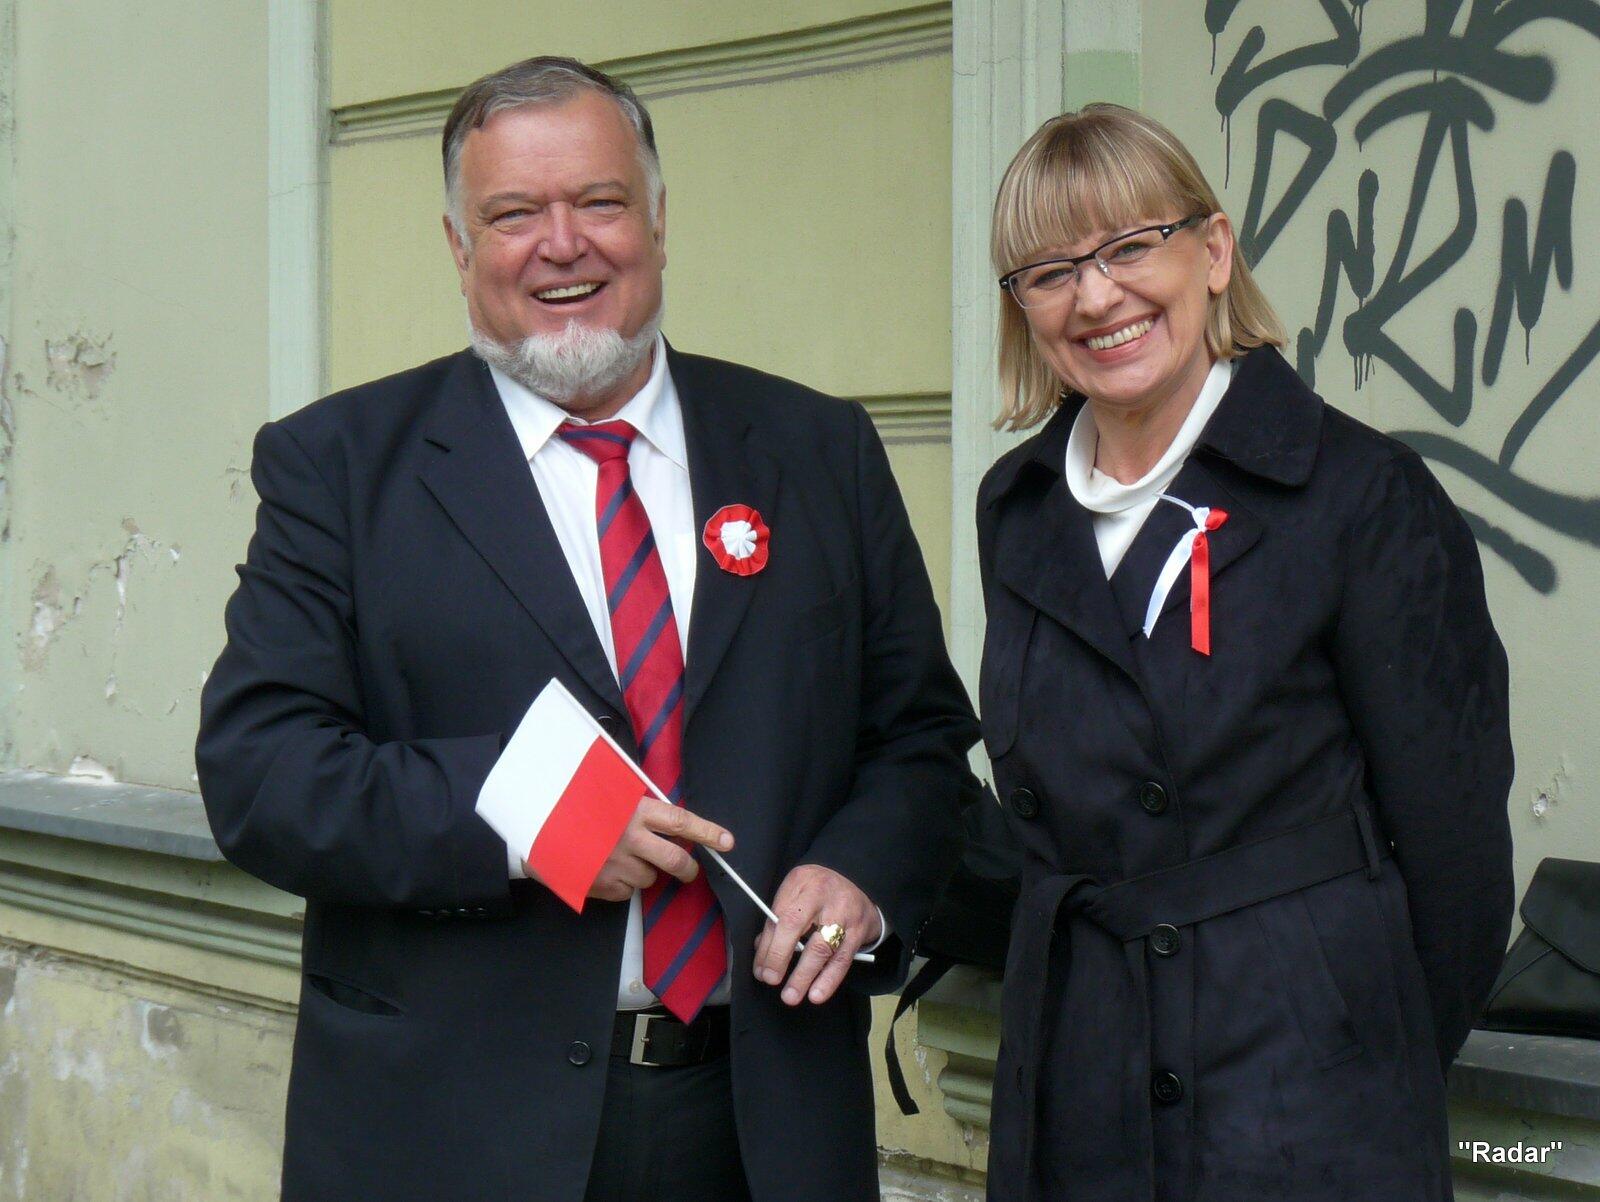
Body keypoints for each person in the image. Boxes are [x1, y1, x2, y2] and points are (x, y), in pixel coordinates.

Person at [196, 56, 977, 1202]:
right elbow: (261, 774)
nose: (562, 245)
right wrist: (536, 818)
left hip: (761, 1124)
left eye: (599, 202)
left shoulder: (817, 449)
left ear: (657, 219)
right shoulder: (339, 467)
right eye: (514, 214)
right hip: (452, 1132)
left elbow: (917, 740)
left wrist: (862, 869)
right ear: (460, 247)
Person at [975, 104, 1513, 1201]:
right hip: (1082, 1086)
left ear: (1213, 251)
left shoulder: (1359, 495)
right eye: (1050, 272)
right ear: (1022, 306)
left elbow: (1456, 857)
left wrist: (1361, 1064)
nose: (1096, 297)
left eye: (1131, 247)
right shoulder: (1018, 508)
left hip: (1304, 1104)